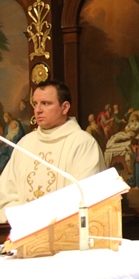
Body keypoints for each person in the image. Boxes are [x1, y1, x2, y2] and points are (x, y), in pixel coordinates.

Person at [0, 80, 106, 223]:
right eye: (35, 104)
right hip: (24, 232)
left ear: (65, 107)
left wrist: (40, 217)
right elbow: (5, 196)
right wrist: (24, 218)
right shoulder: (25, 143)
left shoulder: (82, 143)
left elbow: (85, 196)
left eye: (46, 103)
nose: (38, 110)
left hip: (66, 232)